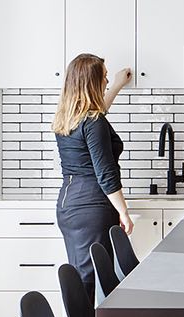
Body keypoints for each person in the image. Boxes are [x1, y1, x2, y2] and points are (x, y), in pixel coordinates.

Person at [53, 53, 136, 293]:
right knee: (94, 280)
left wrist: (118, 85)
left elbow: (96, 115)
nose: (107, 82)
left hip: (68, 206)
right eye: (104, 78)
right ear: (92, 82)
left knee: (81, 278)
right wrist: (123, 212)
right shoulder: (93, 122)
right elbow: (105, 173)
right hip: (92, 207)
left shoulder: (67, 118)